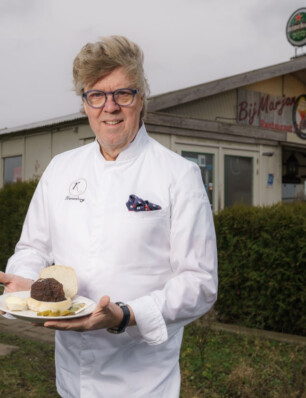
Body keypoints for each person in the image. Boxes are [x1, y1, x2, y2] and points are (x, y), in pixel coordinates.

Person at [0, 35, 218, 398]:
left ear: (141, 98)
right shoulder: (61, 169)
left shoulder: (178, 175)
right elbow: (34, 246)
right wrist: (24, 284)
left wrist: (126, 315)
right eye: (96, 95)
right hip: (71, 378)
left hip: (145, 382)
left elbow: (199, 281)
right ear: (85, 103)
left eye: (123, 94)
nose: (110, 107)